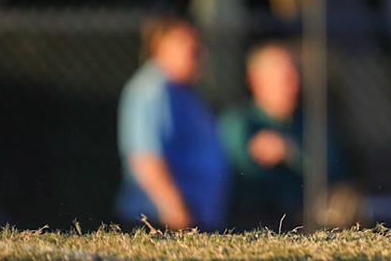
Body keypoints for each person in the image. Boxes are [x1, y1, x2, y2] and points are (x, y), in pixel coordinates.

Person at [217, 41, 355, 228]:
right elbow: (246, 172)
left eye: (293, 73)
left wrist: (289, 152)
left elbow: (334, 169)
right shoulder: (238, 122)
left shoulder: (310, 123)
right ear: (254, 79)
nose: (290, 82)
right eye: (279, 75)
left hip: (310, 216)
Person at [116, 13, 230, 230]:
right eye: (181, 41)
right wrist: (175, 210)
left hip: (195, 219)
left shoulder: (185, 91)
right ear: (158, 46)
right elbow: (145, 158)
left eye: (195, 41)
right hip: (162, 222)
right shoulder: (151, 90)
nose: (192, 49)